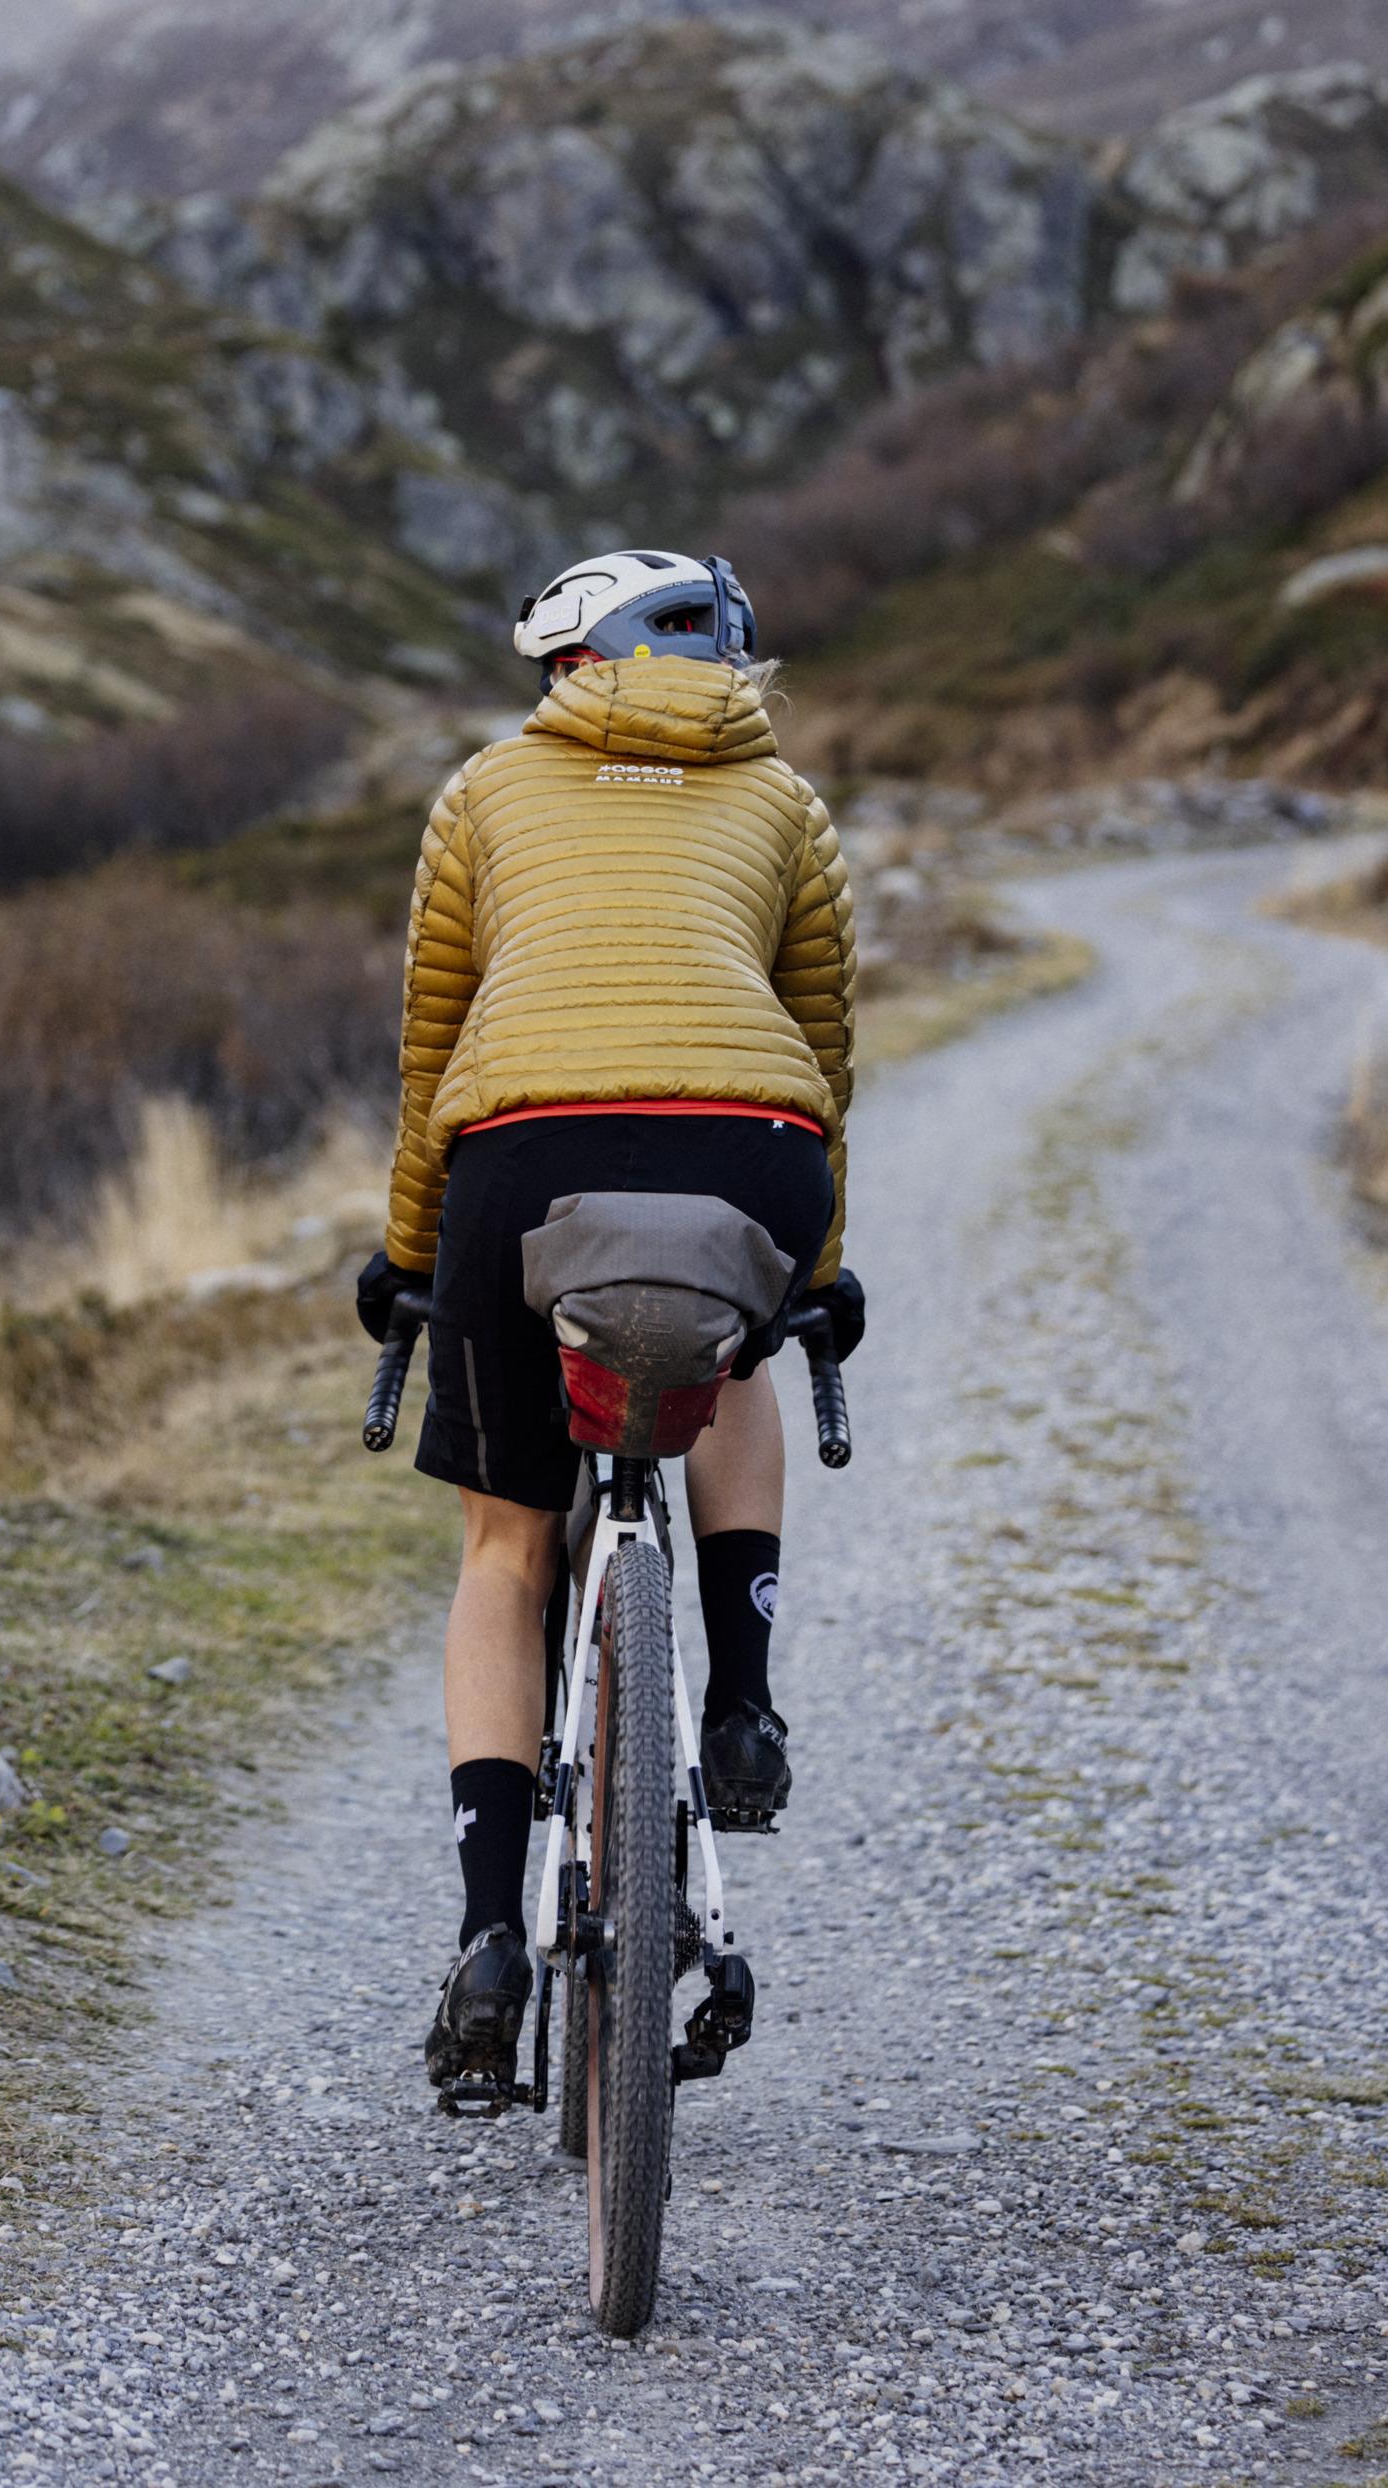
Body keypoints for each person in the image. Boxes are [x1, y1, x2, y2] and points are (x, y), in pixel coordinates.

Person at [355, 548, 865, 2093]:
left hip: (523, 1159)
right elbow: (822, 1056)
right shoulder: (784, 802)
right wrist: (815, 1263)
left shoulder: (486, 790)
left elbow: (433, 1037)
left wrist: (405, 1255)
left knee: (508, 1546)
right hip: (748, 1156)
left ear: (568, 662)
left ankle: (486, 1935)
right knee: (744, 1355)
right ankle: (747, 1706)